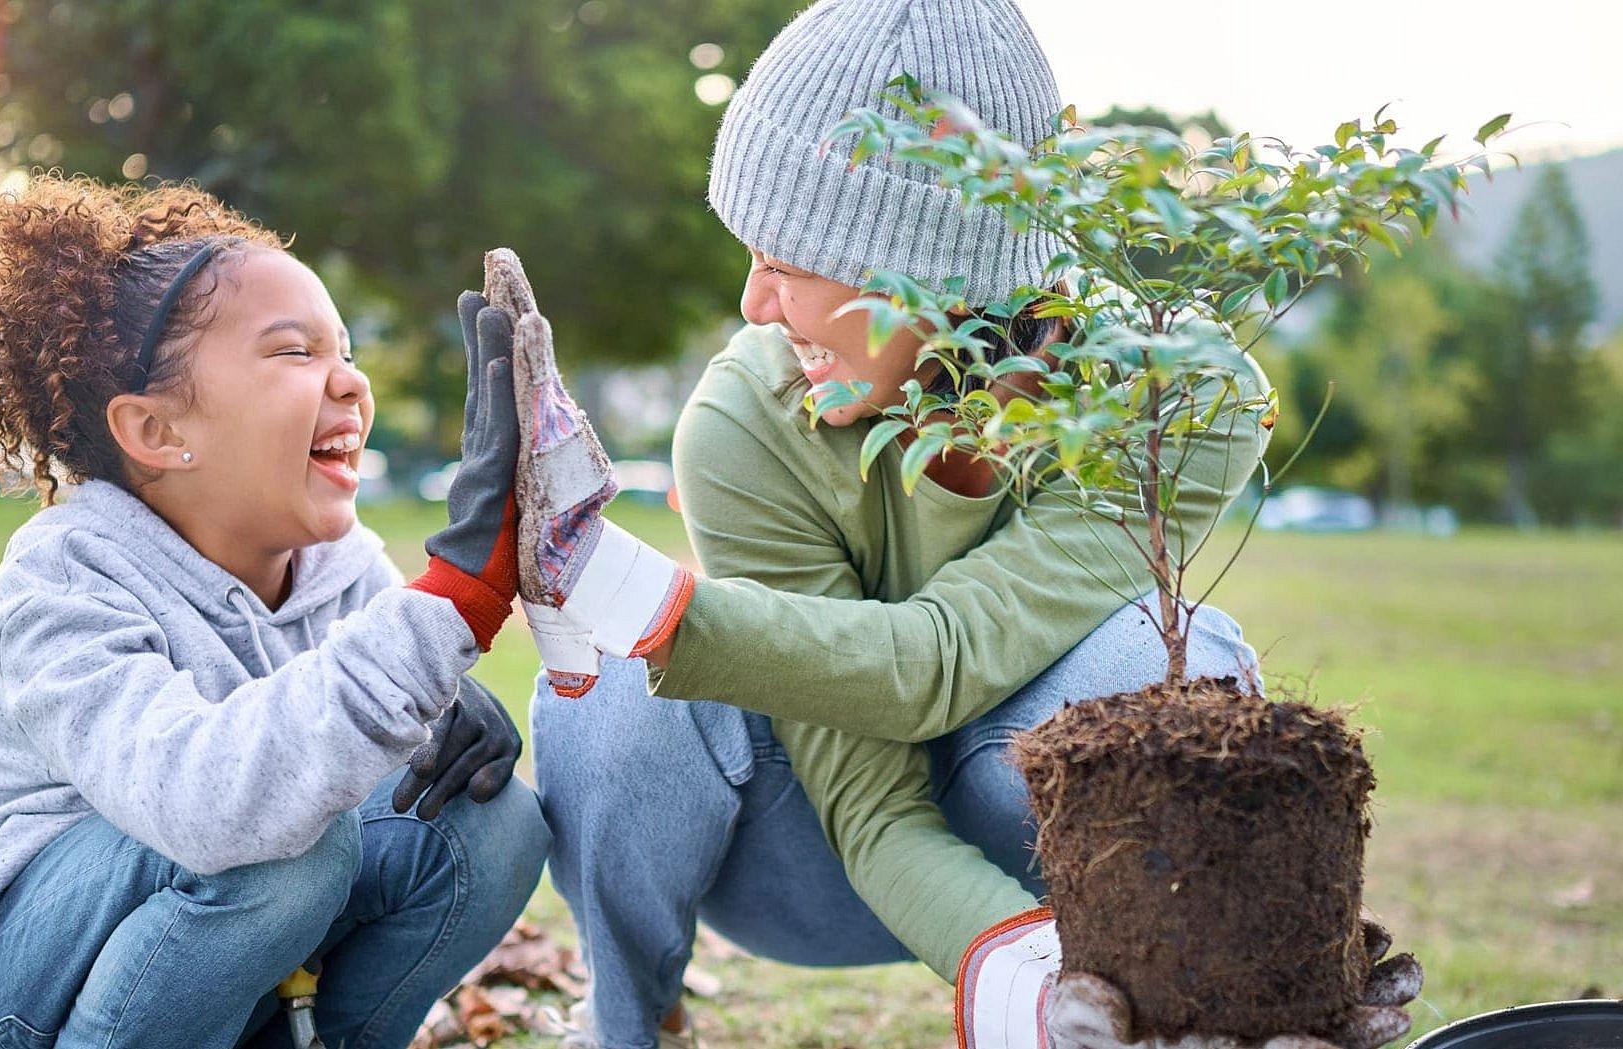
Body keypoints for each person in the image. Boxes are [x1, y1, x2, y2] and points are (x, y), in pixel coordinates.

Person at [509, 1, 1419, 1047]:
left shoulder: (1183, 402)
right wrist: (1021, 982)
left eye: (789, 262)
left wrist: (1251, 945)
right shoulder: (741, 426)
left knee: (1161, 652)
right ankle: (629, 1024)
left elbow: (939, 659)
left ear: (927, 275)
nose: (755, 303)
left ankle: (1184, 1009)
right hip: (799, 858)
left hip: (1058, 841)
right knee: (617, 692)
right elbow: (871, 807)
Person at [0, 175, 551, 1049]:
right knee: (280, 851)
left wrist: (434, 710)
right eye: (296, 353)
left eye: (346, 349)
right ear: (156, 431)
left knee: (489, 824)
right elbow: (209, 805)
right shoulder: (64, 578)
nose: (350, 382)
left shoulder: (336, 564)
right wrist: (454, 600)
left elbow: (345, 734)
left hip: (208, 949)